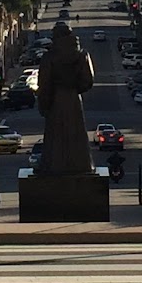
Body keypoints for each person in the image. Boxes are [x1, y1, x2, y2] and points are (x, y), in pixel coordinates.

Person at [37, 22, 94, 175]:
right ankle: (80, 164)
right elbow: (88, 81)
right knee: (77, 135)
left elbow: (44, 84)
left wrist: (44, 104)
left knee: (55, 138)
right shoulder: (81, 55)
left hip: (56, 100)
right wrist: (74, 89)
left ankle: (54, 165)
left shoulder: (49, 57)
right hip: (74, 99)